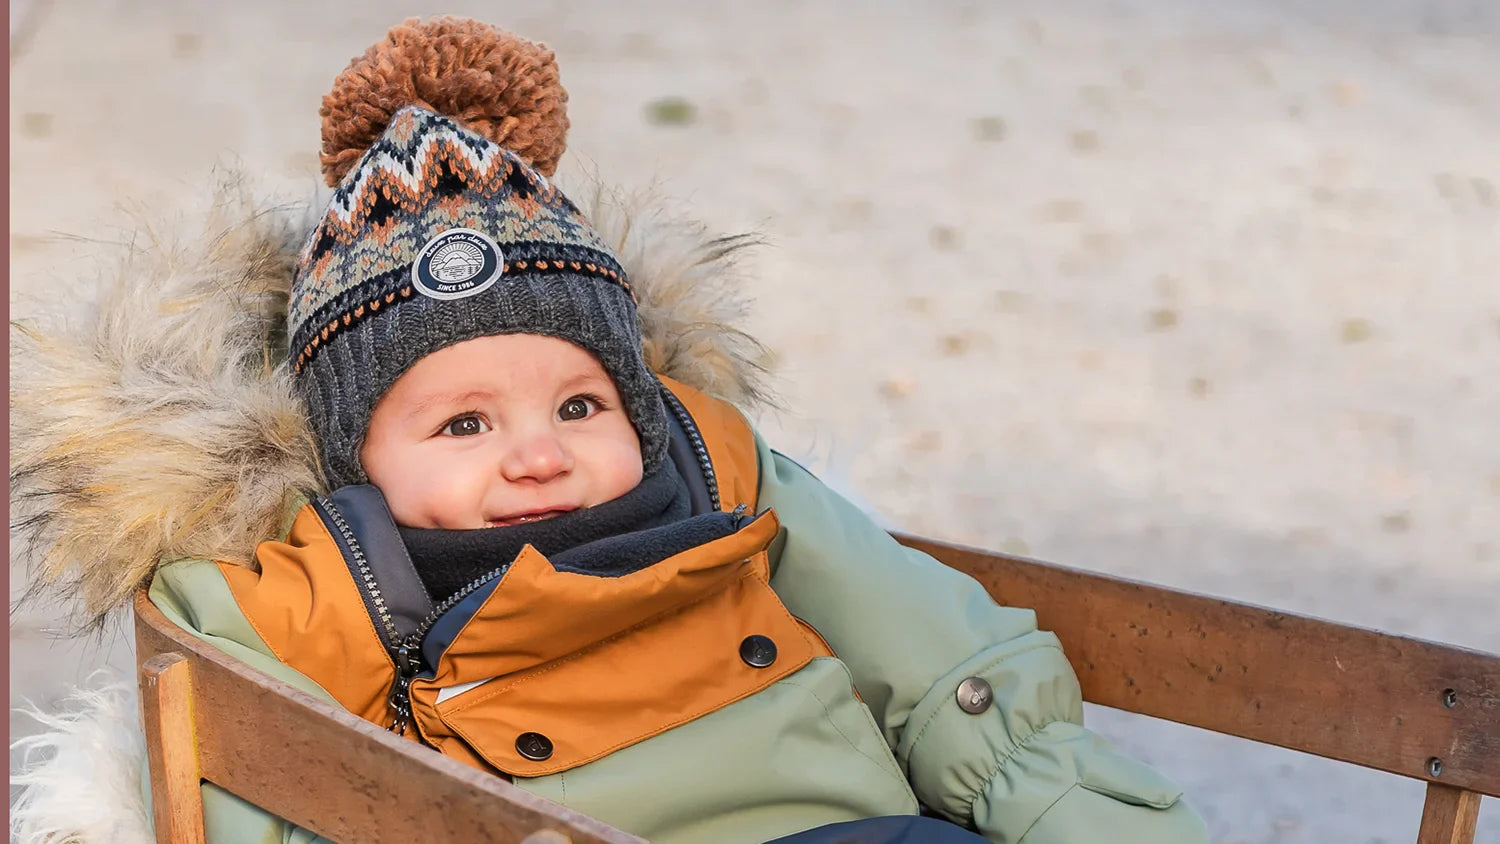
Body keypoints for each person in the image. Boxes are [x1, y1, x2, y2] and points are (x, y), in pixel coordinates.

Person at [10, 16, 1209, 844]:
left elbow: (944, 659)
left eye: (581, 404)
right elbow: (256, 770)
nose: (538, 451)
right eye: (464, 422)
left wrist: (1066, 810)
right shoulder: (341, 590)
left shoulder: (715, 473)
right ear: (351, 460)